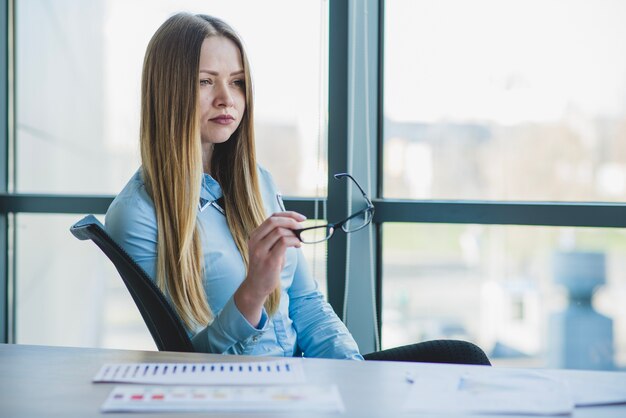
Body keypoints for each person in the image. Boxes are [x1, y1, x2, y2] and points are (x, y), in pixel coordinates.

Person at [105, 12, 363, 360]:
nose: (227, 98)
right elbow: (184, 357)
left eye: (238, 82)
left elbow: (306, 302)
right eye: (205, 82)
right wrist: (253, 291)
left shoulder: (258, 180)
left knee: (457, 355)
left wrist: (353, 370)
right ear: (168, 92)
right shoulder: (136, 214)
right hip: (236, 396)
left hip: (300, 385)